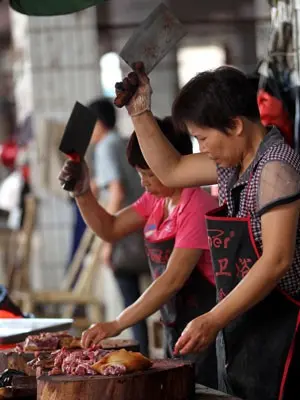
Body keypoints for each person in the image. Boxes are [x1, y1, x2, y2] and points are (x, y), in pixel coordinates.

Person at [114, 63, 300, 400]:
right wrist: (139, 111)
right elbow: (170, 170)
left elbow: (276, 260)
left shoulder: (276, 169)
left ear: (236, 126)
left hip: (286, 328)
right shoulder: (233, 165)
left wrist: (213, 319)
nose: (202, 149)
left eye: (202, 138)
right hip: (247, 322)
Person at [58, 117, 218, 388]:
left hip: (207, 328)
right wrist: (82, 192)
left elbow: (172, 279)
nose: (143, 182)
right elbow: (110, 228)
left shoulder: (197, 204)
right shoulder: (157, 200)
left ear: (174, 162)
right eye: (140, 173)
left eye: (150, 174)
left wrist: (117, 323)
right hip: (174, 324)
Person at [83, 98, 149, 356]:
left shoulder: (104, 147)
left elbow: (117, 194)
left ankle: (138, 356)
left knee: (130, 302)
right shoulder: (122, 142)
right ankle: (142, 353)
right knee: (144, 302)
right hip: (144, 229)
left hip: (125, 233)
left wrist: (107, 241)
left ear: (98, 123)